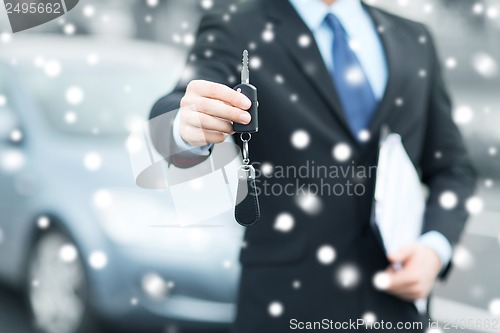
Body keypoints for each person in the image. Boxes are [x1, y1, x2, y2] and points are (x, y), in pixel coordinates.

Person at [150, 0, 476, 332]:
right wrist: (183, 127)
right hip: (287, 305)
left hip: (395, 308)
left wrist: (434, 250)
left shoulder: (415, 38)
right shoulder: (236, 25)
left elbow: (453, 168)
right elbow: (169, 121)